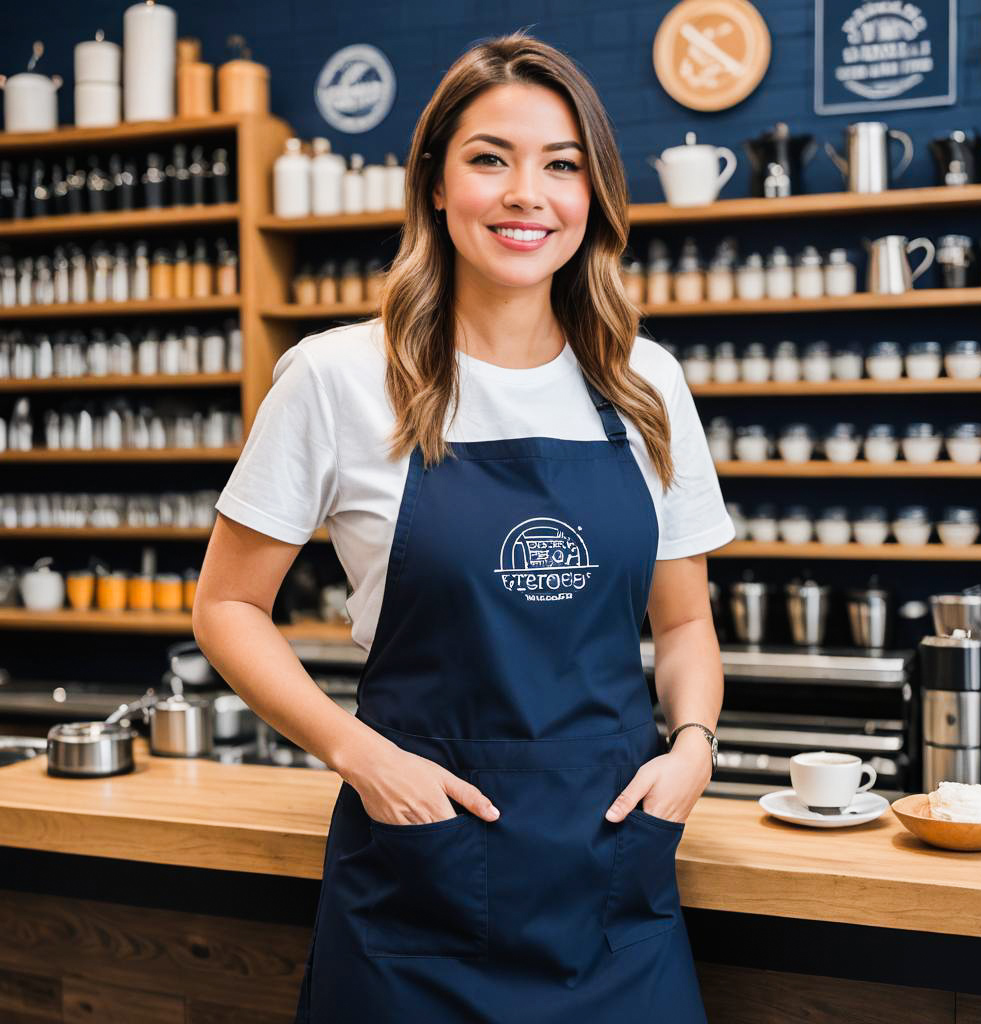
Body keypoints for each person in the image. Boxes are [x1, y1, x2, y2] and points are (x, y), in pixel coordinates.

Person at [193, 29, 735, 1024]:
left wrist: (693, 747)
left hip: (614, 891)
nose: (527, 193)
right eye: (491, 158)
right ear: (435, 184)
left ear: (594, 196)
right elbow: (227, 605)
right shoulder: (335, 378)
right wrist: (358, 754)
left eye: (561, 165)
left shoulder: (644, 383)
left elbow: (686, 623)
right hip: (415, 891)